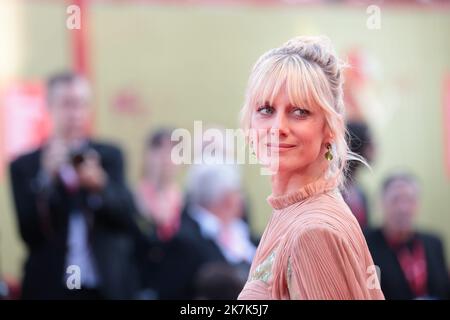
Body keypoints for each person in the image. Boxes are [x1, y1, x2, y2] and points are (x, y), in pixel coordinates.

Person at [237, 36, 384, 300]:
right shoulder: (291, 210)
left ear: (330, 128)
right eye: (266, 109)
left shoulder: (313, 232)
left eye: (299, 112)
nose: (278, 128)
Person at [9, 71, 138, 299]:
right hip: (52, 287)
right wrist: (45, 180)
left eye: (81, 105)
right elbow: (28, 232)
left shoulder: (108, 156)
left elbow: (128, 219)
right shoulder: (25, 166)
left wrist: (101, 186)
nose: (75, 114)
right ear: (49, 107)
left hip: (104, 286)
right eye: (67, 105)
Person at [365, 172, 450, 300]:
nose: (403, 208)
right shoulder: (367, 243)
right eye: (395, 200)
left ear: (417, 204)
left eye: (409, 200)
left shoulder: (433, 243)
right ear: (381, 204)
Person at [135, 128, 182, 242]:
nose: (165, 157)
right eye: (159, 148)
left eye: (172, 150)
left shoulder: (185, 200)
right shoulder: (135, 196)